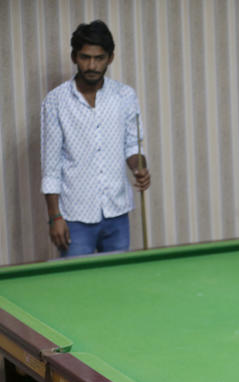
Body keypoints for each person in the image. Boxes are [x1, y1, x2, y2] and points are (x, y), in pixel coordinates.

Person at [41, 19, 150, 257]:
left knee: (119, 284)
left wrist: (139, 167)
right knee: (76, 288)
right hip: (74, 217)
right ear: (74, 57)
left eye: (99, 58)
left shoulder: (125, 96)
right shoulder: (56, 101)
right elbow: (51, 166)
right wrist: (54, 217)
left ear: (110, 58)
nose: (92, 65)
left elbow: (132, 146)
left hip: (117, 213)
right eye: (85, 57)